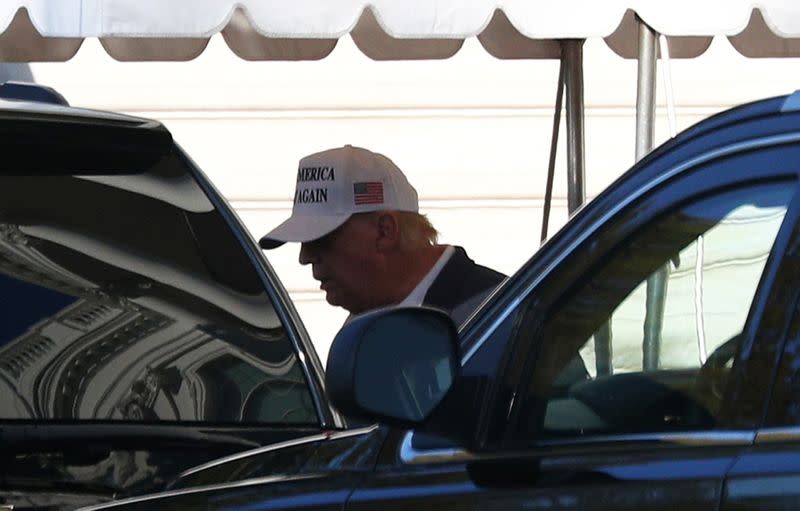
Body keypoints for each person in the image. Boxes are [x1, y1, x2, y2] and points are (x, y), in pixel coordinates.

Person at [259, 144, 506, 327]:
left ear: (385, 232)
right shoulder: (365, 322)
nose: (305, 256)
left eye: (321, 238)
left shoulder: (500, 315)